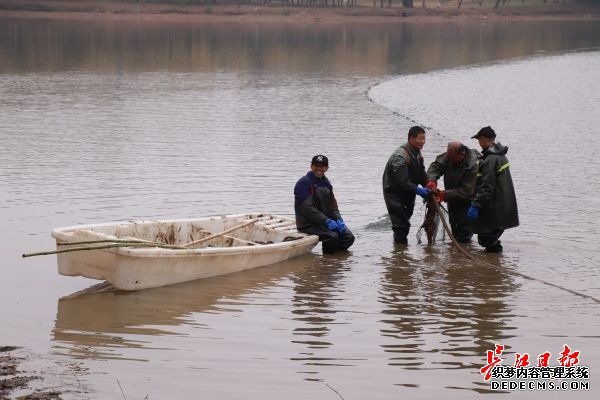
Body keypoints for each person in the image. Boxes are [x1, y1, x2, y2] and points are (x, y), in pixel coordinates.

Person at [467, 126, 519, 252]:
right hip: (503, 205)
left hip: (495, 207)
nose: (478, 143)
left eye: (479, 139)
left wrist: (476, 205)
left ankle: (493, 263)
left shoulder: (490, 159)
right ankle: (496, 265)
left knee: (485, 238)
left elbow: (487, 187)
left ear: (484, 139)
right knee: (491, 238)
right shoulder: (500, 155)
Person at [294, 155, 355, 254]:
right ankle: (327, 262)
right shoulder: (303, 183)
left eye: (322, 166)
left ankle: (334, 259)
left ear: (327, 168)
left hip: (324, 222)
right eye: (316, 166)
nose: (319, 169)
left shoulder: (326, 183)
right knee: (332, 237)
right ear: (311, 166)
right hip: (307, 224)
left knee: (349, 237)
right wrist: (326, 221)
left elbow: (333, 206)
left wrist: (339, 219)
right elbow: (306, 209)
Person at [382, 126, 430, 244]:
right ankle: (399, 254)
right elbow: (402, 181)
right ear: (411, 138)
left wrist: (428, 184)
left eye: (424, 139)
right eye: (420, 139)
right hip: (394, 194)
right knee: (401, 226)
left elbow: (421, 174)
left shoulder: (418, 153)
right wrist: (420, 191)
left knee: (406, 221)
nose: (423, 142)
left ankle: (399, 249)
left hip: (408, 193)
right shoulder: (400, 156)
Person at [426, 141, 480, 243]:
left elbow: (467, 191)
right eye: (448, 157)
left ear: (461, 154)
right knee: (454, 226)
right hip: (452, 198)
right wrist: (431, 180)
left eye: (452, 158)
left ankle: (463, 249)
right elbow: (436, 166)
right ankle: (456, 255)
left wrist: (444, 194)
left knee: (464, 232)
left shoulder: (473, 165)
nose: (449, 160)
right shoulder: (450, 155)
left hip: (468, 201)